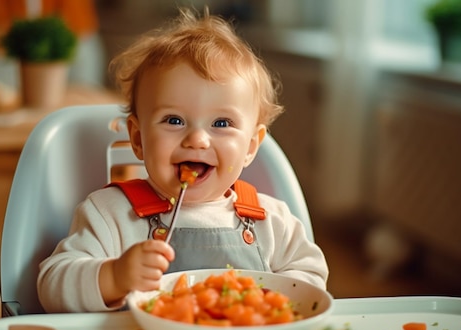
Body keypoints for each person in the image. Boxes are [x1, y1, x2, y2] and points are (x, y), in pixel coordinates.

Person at [37, 8, 329, 313]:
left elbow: (311, 277)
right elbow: (52, 286)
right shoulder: (111, 215)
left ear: (250, 146)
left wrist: (269, 300)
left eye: (221, 123)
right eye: (174, 120)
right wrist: (114, 276)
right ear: (137, 138)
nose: (197, 140)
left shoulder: (270, 220)